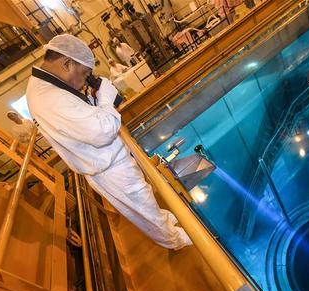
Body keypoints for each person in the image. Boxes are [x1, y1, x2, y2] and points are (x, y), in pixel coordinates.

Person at [25, 34, 192, 250]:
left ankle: (167, 224)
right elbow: (102, 131)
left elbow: (81, 120)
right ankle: (175, 241)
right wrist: (104, 98)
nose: (84, 81)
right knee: (145, 209)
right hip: (109, 168)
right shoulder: (50, 98)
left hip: (108, 162)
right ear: (67, 63)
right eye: (85, 74)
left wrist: (94, 100)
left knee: (146, 201)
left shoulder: (45, 87)